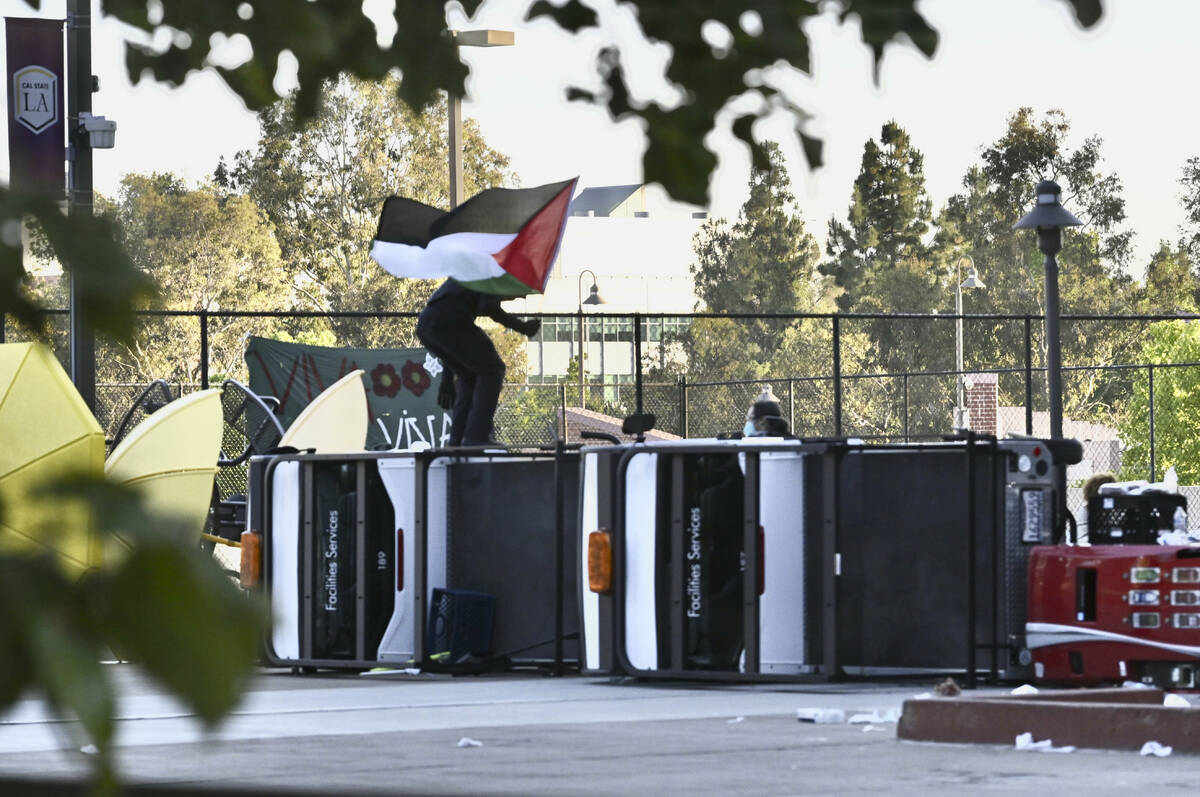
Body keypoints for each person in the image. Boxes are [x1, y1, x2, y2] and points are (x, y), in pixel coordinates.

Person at [417, 279, 540, 446]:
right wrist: (521, 327)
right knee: (493, 369)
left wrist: (446, 380)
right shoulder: (492, 272)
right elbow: (487, 306)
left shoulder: (477, 270)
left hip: (427, 325)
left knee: (469, 376)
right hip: (450, 320)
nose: (521, 297)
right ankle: (476, 436)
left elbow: (454, 347)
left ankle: (457, 440)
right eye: (521, 293)